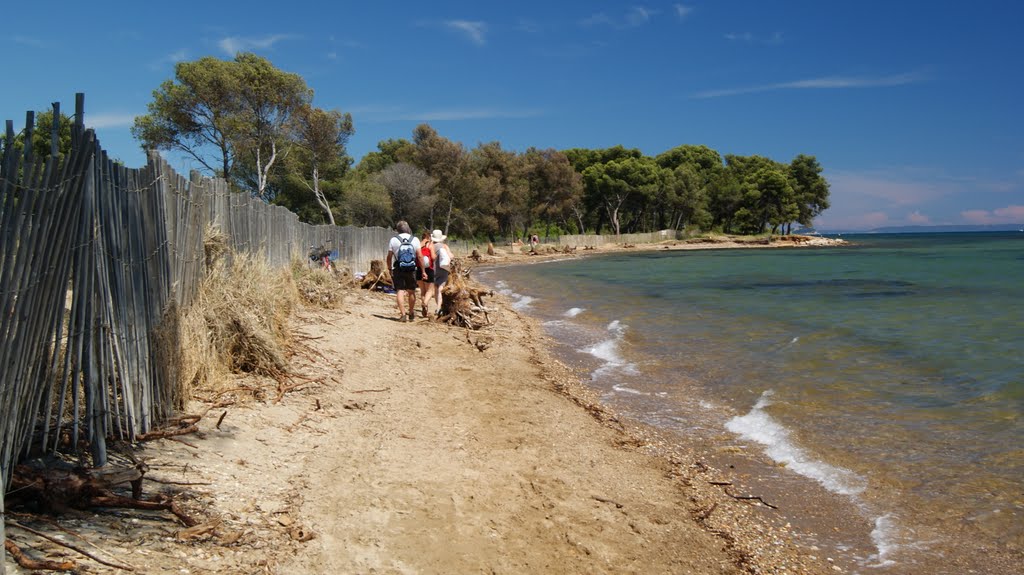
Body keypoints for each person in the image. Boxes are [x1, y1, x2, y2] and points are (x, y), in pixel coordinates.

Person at [386, 220, 423, 322]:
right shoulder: (415, 239)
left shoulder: (394, 240)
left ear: (398, 230)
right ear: (408, 228)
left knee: (400, 291)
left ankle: (403, 314)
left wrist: (389, 269)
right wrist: (423, 270)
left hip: (398, 268)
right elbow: (419, 256)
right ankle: (411, 312)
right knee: (411, 291)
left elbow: (389, 257)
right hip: (411, 268)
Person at [430, 229, 453, 315]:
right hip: (442, 269)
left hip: (432, 269)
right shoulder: (444, 246)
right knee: (440, 288)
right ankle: (439, 308)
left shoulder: (430, 245)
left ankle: (438, 306)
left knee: (436, 288)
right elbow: (451, 256)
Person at [418, 230, 435, 318]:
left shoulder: (418, 244)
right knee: (430, 291)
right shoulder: (430, 245)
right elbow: (432, 257)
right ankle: (425, 303)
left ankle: (425, 307)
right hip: (429, 269)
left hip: (419, 269)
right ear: (429, 237)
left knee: (422, 290)